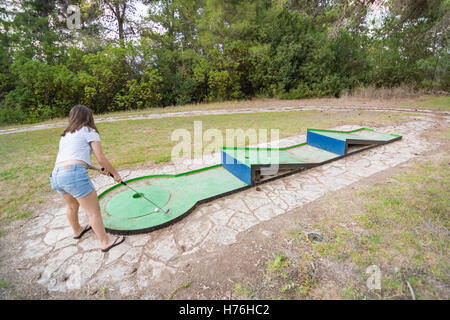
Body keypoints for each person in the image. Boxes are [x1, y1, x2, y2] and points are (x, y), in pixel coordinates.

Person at [49, 104, 125, 252]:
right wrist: (115, 174)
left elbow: (73, 159)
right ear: (88, 117)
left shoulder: (66, 135)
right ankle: (105, 241)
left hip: (56, 175)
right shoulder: (90, 131)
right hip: (73, 174)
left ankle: (77, 230)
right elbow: (100, 157)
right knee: (93, 211)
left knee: (71, 206)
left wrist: (98, 169)